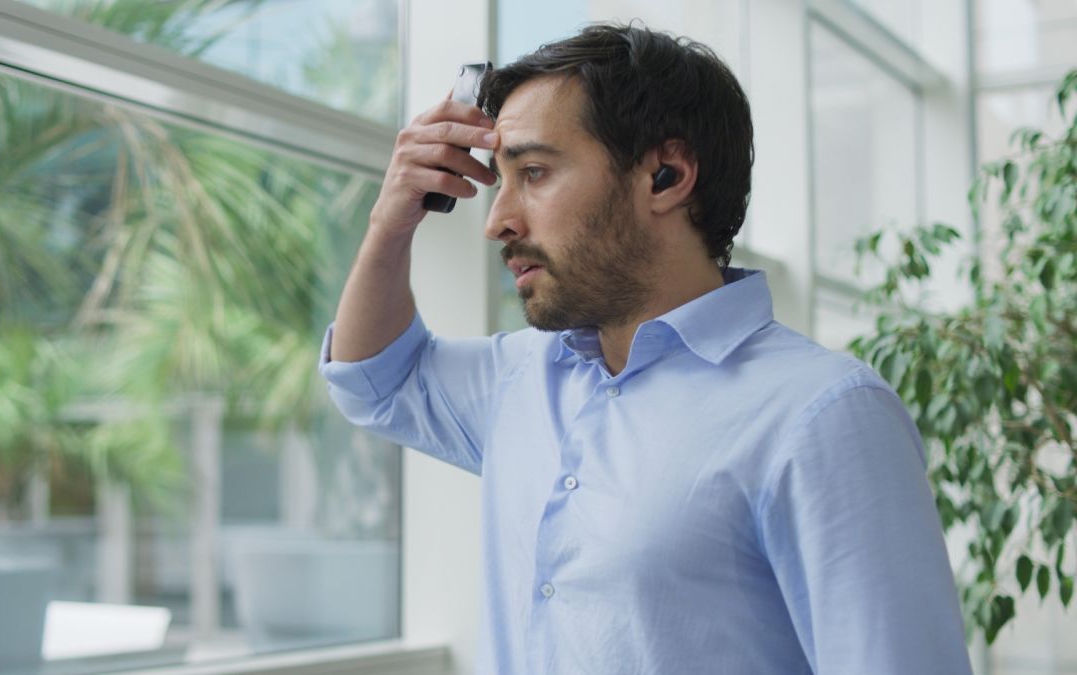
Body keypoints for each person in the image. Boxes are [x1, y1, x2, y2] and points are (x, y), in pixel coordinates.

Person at [319, 22, 972, 675]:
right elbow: (373, 376)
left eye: (535, 173)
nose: (498, 220)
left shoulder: (822, 415)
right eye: (501, 181)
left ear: (665, 175)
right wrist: (390, 218)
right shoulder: (522, 377)